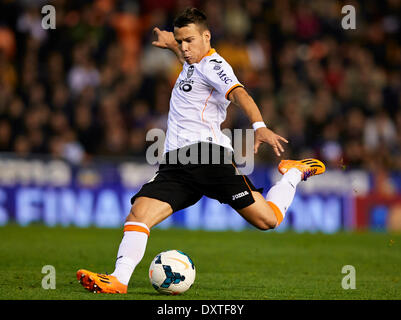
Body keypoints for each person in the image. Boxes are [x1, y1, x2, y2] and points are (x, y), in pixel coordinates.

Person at [77, 8, 325, 294]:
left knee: (267, 220)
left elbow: (239, 93)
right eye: (181, 41)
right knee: (137, 215)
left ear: (206, 37)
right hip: (176, 165)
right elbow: (182, 51)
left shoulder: (215, 65)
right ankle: (118, 279)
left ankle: (293, 174)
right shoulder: (190, 60)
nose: (184, 47)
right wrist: (169, 40)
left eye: (189, 41)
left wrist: (259, 126)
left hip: (209, 159)